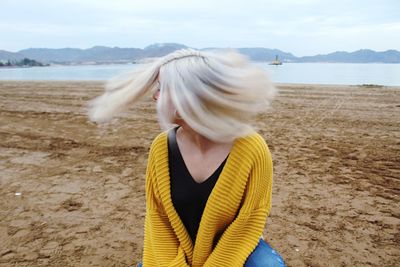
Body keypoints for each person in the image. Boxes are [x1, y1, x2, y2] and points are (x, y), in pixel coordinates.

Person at [87, 48, 286, 266]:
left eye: (162, 89)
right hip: (177, 249)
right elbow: (158, 217)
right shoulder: (161, 147)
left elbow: (250, 220)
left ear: (190, 95)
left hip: (235, 251)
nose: (155, 96)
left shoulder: (251, 148)